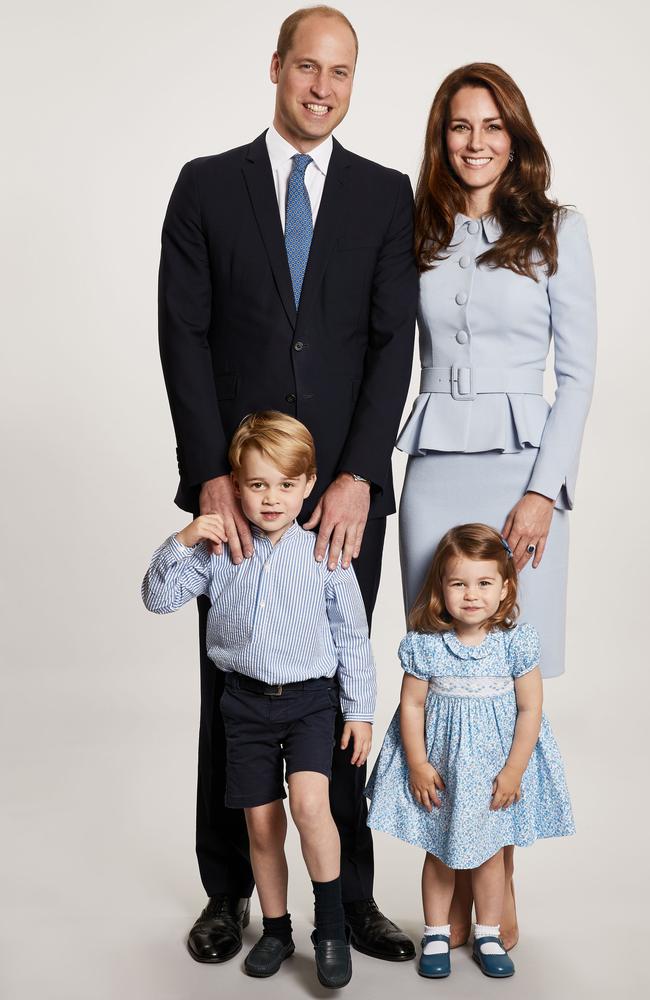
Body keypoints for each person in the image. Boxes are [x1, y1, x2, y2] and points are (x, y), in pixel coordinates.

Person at [157, 5, 417, 963]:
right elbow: (180, 336)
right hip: (241, 494)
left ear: (354, 83)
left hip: (340, 502)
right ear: (276, 68)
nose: (322, 87)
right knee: (232, 690)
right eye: (307, 67)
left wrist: (357, 475)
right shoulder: (207, 187)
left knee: (339, 689)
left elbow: (395, 346)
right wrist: (209, 481)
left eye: (340, 72)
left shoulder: (387, 197)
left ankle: (345, 900)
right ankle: (229, 890)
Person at [397, 63, 596, 948]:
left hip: (522, 469)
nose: (474, 143)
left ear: (515, 136)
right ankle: (448, 895)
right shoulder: (419, 229)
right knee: (445, 684)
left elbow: (580, 372)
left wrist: (543, 491)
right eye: (457, 127)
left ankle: (499, 882)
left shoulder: (558, 230)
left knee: (508, 679)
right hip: (435, 465)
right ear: (442, 140)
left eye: (491, 126)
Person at [142, 412, 376, 988]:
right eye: (256, 485)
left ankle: (330, 927)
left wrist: (360, 711)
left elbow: (352, 636)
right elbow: (157, 597)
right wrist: (183, 539)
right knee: (262, 823)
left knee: (309, 806)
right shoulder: (221, 552)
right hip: (243, 704)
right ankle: (276, 928)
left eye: (286, 485)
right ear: (237, 485)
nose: (271, 499)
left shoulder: (324, 555)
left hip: (310, 704)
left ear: (308, 483)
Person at [365, 524, 574, 979]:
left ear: (505, 588)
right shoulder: (426, 645)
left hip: (496, 774)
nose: (471, 595)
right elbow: (412, 705)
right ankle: (437, 931)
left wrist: (515, 769)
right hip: (443, 772)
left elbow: (530, 707)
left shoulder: (514, 643)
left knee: (491, 854)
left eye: (484, 583)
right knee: (439, 853)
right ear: (441, 588)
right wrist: (418, 764)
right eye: (459, 583)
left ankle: (488, 931)